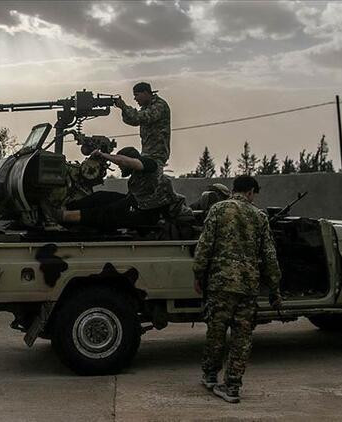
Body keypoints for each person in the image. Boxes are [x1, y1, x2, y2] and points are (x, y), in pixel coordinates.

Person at [193, 175, 282, 403]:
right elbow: (269, 256)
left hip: (220, 283)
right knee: (242, 338)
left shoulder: (218, 210)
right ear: (250, 191)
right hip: (248, 286)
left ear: (234, 189)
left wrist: (198, 274)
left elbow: (204, 245)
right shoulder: (260, 216)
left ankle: (210, 376)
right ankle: (232, 386)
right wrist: (275, 288)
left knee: (216, 332)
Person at [60, 146, 176, 229]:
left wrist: (104, 155)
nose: (119, 167)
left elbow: (126, 161)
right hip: (138, 206)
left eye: (120, 164)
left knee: (110, 211)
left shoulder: (150, 164)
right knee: (101, 197)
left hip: (147, 213)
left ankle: (65, 217)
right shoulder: (135, 178)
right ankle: (66, 208)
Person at [113, 82, 171, 166]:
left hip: (157, 154)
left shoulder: (159, 105)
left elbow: (140, 117)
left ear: (145, 93)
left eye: (137, 95)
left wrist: (124, 107)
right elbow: (133, 121)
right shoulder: (147, 107)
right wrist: (123, 109)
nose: (135, 99)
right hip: (148, 153)